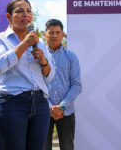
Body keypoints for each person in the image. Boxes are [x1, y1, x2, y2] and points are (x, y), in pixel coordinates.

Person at [0, 0, 55, 150]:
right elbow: (0, 65)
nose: (26, 15)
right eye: (19, 11)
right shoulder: (0, 39)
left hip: (39, 105)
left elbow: (50, 76)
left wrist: (43, 61)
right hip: (11, 104)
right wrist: (25, 43)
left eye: (29, 11)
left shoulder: (41, 43)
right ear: (8, 17)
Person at [43, 19, 82, 150]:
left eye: (58, 32)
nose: (54, 35)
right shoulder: (38, 56)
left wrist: (61, 106)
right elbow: (35, 85)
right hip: (43, 111)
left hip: (66, 111)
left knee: (67, 147)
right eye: (51, 32)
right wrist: (49, 107)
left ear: (62, 34)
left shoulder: (71, 57)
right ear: (45, 34)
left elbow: (77, 85)